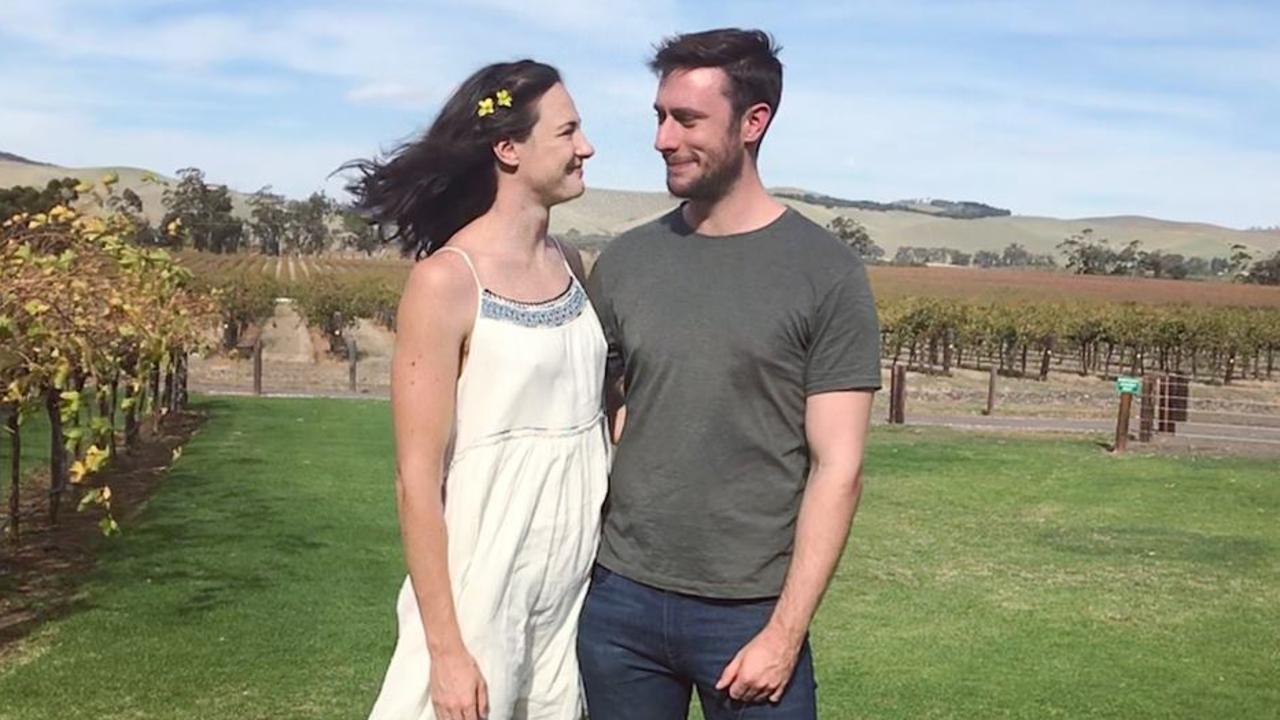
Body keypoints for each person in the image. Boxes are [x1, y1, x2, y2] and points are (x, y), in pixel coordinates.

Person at [580, 28, 882, 719]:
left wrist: (784, 633)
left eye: (686, 119)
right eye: (659, 116)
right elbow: (597, 404)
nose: (662, 138)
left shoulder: (826, 274)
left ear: (754, 122)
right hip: (620, 600)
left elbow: (840, 468)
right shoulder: (627, 262)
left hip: (750, 613)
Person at [346, 59, 607, 720]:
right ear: (508, 148)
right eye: (569, 132)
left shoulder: (571, 265)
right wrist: (447, 651)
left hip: (572, 586)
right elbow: (416, 478)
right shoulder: (447, 281)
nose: (587, 147)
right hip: (481, 580)